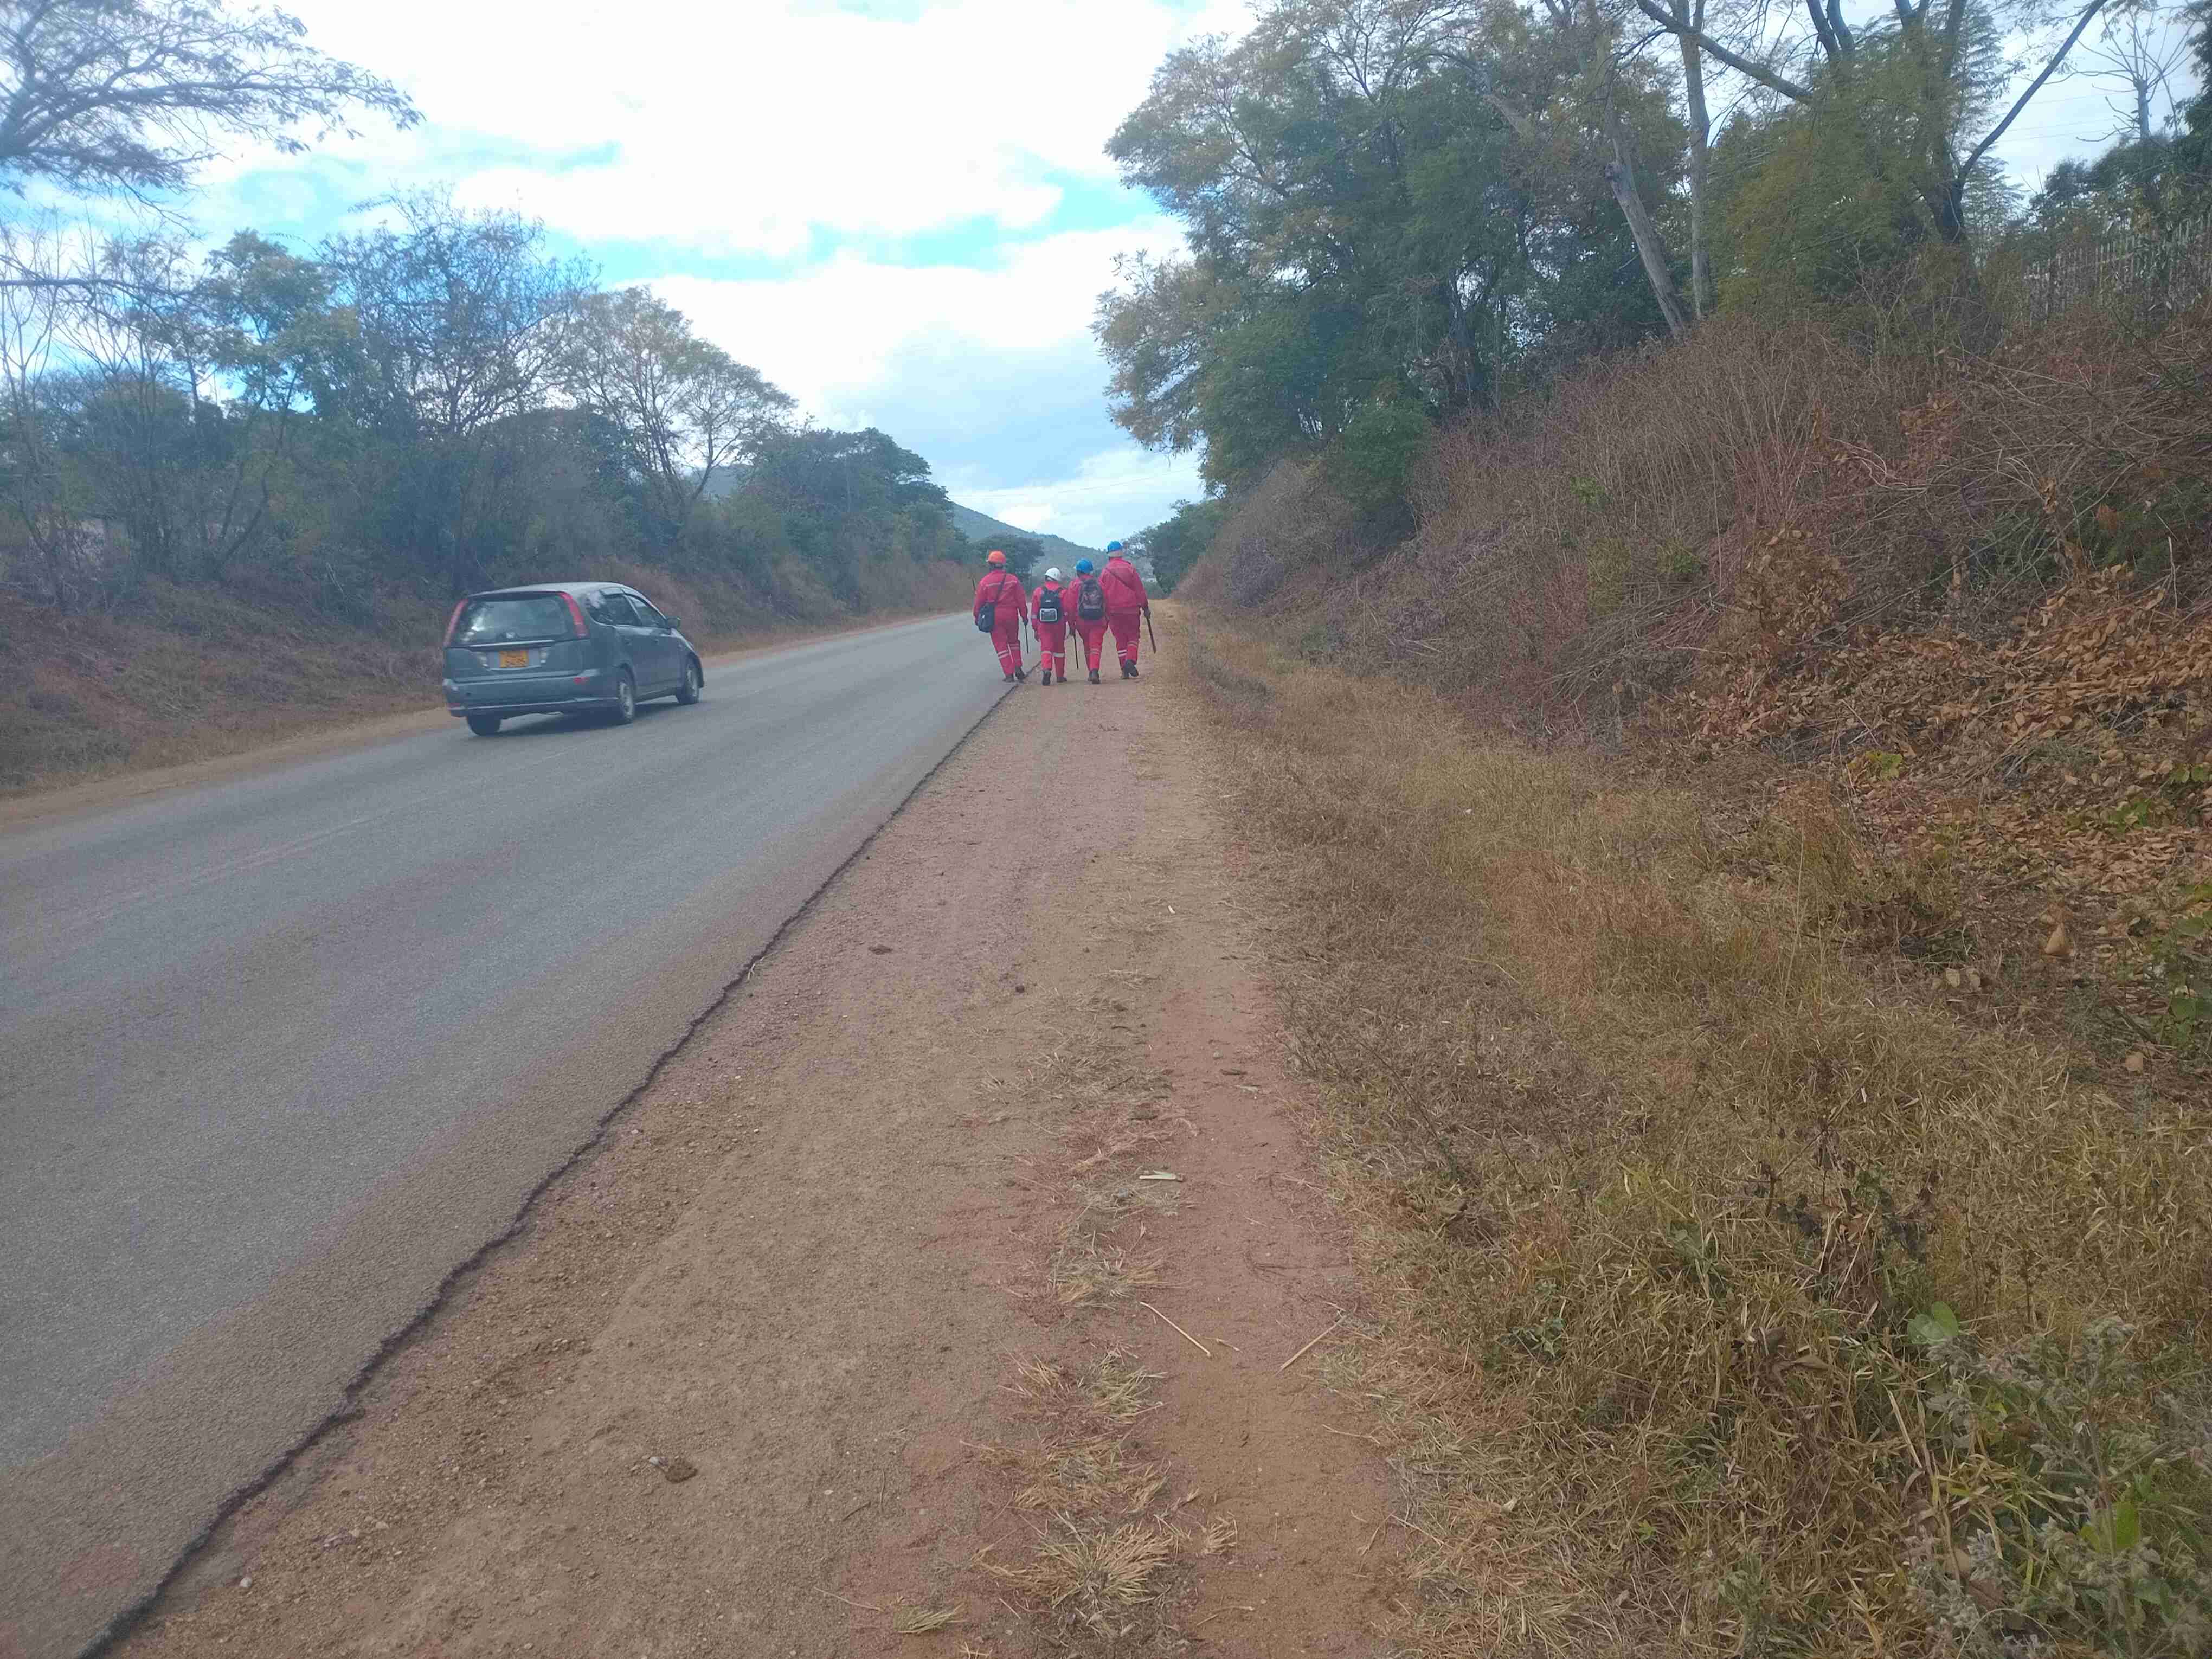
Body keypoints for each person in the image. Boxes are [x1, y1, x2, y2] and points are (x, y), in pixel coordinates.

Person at [1098, 539, 1152, 679]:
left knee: (1121, 640)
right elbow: (1140, 590)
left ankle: (1124, 671)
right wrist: (1145, 607)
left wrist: (1104, 613)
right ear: (1121, 554)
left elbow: (1101, 594)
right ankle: (1131, 661)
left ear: (1109, 555)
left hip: (1113, 612)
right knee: (1133, 637)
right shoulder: (1130, 569)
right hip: (1131, 610)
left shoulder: (1104, 572)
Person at [973, 549, 1027, 682]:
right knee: (1014, 642)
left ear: (991, 565)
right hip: (1012, 616)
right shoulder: (1013, 580)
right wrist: (1024, 616)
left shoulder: (985, 582)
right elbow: (1021, 600)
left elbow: (979, 602)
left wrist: (976, 617)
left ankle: (1009, 674)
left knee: (1001, 646)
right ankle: (1018, 667)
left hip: (995, 617)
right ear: (1003, 564)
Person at [1068, 557, 1109, 684]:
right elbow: (1107, 602)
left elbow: (1070, 607)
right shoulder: (1100, 584)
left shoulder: (1074, 585)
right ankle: (1094, 670)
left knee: (1087, 646)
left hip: (1082, 621)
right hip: (1099, 619)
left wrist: (1071, 625)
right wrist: (1106, 619)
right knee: (1096, 646)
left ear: (1079, 572)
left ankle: (1091, 672)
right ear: (1090, 572)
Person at [1031, 565, 1071, 685]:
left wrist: (1035, 629)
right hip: (1059, 624)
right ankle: (1060, 676)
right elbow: (1067, 611)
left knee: (1046, 648)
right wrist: (1070, 624)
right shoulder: (1063, 592)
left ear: (1047, 577)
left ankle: (1047, 669)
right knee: (1059, 650)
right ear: (1057, 579)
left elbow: (1034, 613)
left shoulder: (1038, 591)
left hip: (1043, 625)